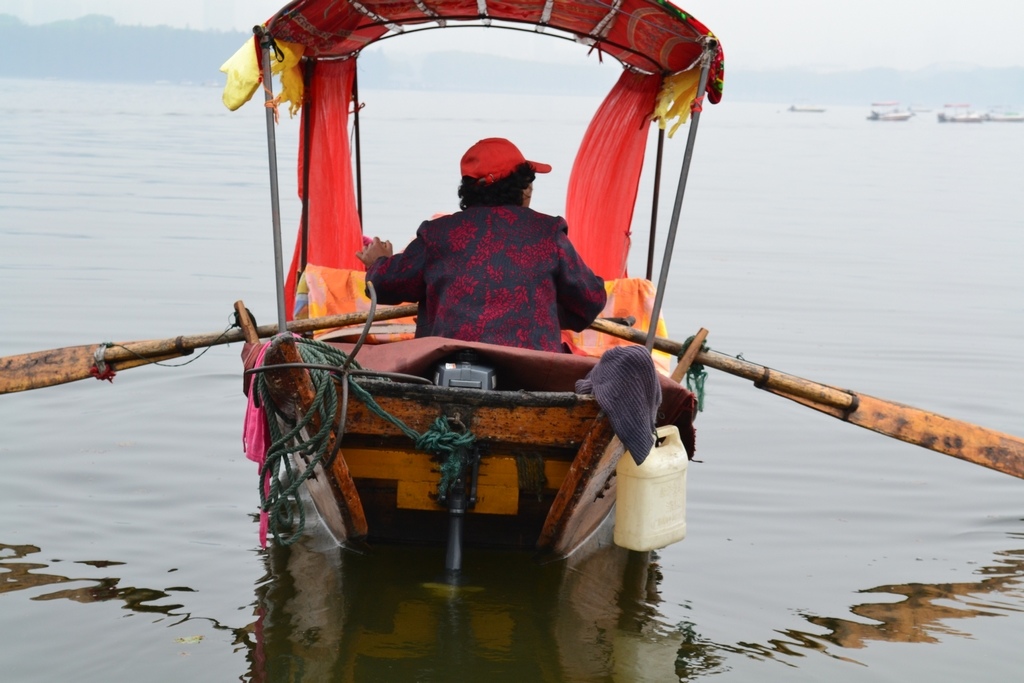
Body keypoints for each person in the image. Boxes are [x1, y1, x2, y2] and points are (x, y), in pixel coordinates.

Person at [356, 137, 607, 353]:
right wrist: (547, 309)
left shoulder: (438, 233)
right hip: (532, 372)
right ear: (525, 188)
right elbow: (591, 299)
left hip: (448, 368)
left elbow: (383, 286)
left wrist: (378, 262)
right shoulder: (548, 232)